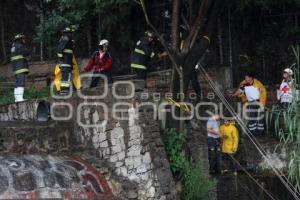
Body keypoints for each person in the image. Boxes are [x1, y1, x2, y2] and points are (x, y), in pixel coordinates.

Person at [10, 34, 30, 102]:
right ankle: (20, 98)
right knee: (21, 82)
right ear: (20, 40)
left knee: (17, 83)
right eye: (23, 39)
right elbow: (26, 52)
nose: (24, 40)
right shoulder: (19, 46)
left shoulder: (13, 47)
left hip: (16, 68)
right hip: (20, 67)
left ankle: (17, 98)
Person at [57, 26, 75, 94]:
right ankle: (65, 92)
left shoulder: (66, 39)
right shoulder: (65, 38)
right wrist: (61, 58)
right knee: (66, 78)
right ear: (68, 33)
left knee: (65, 78)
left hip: (67, 62)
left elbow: (69, 50)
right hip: (66, 62)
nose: (72, 34)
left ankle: (64, 92)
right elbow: (59, 50)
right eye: (71, 33)